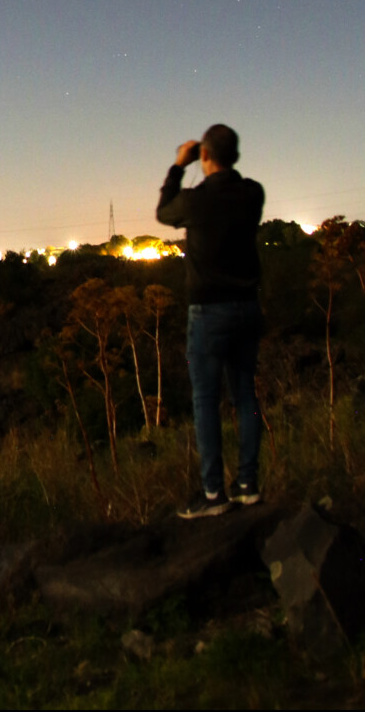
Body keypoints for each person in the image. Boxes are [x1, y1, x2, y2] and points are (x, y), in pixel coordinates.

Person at [156, 124, 265, 519]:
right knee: (245, 396)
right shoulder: (253, 193)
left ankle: (214, 494)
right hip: (248, 307)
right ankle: (248, 485)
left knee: (205, 400)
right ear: (235, 155)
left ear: (204, 155)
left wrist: (177, 166)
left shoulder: (195, 201)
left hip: (208, 311)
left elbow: (163, 212)